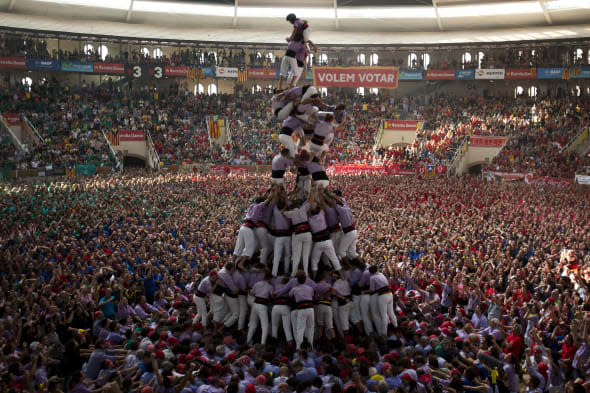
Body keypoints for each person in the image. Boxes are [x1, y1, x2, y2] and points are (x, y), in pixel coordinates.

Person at [368, 265, 397, 337]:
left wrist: (365, 292)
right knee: (391, 312)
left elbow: (372, 289)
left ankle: (384, 334)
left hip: (383, 296)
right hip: (389, 293)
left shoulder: (372, 277)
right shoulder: (381, 274)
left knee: (384, 315)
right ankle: (396, 326)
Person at [289, 271, 315, 349]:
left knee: (300, 328)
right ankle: (311, 347)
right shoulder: (310, 288)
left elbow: (290, 295)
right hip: (310, 308)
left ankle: (298, 348)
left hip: (301, 308)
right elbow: (312, 294)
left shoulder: (294, 289)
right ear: (305, 280)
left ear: (297, 280)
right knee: (310, 328)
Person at [247, 270, 274, 345]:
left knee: (252, 324)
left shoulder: (257, 283)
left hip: (255, 304)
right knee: (265, 326)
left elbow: (252, 293)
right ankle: (263, 343)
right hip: (263, 305)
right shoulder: (270, 286)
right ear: (270, 278)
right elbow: (272, 296)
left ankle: (247, 341)